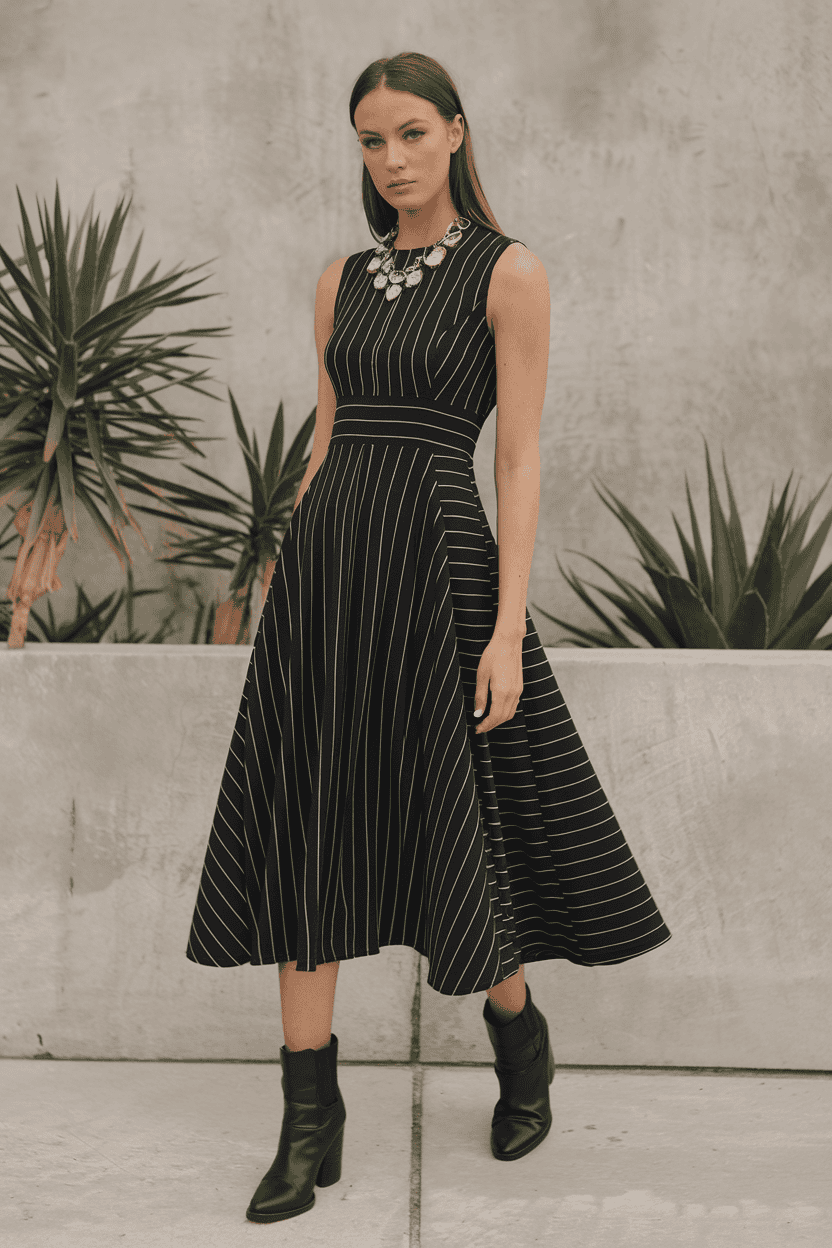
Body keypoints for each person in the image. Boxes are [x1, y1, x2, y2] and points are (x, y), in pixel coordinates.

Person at [185, 51, 672, 1224]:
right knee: (314, 816)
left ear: (455, 133)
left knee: (448, 820)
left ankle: (517, 1035)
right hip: (331, 573)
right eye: (369, 141)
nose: (391, 159)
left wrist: (506, 629)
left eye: (409, 134)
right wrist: (284, 580)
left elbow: (514, 455)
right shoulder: (338, 279)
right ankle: (311, 1117)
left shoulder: (510, 274)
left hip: (438, 572)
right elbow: (325, 438)